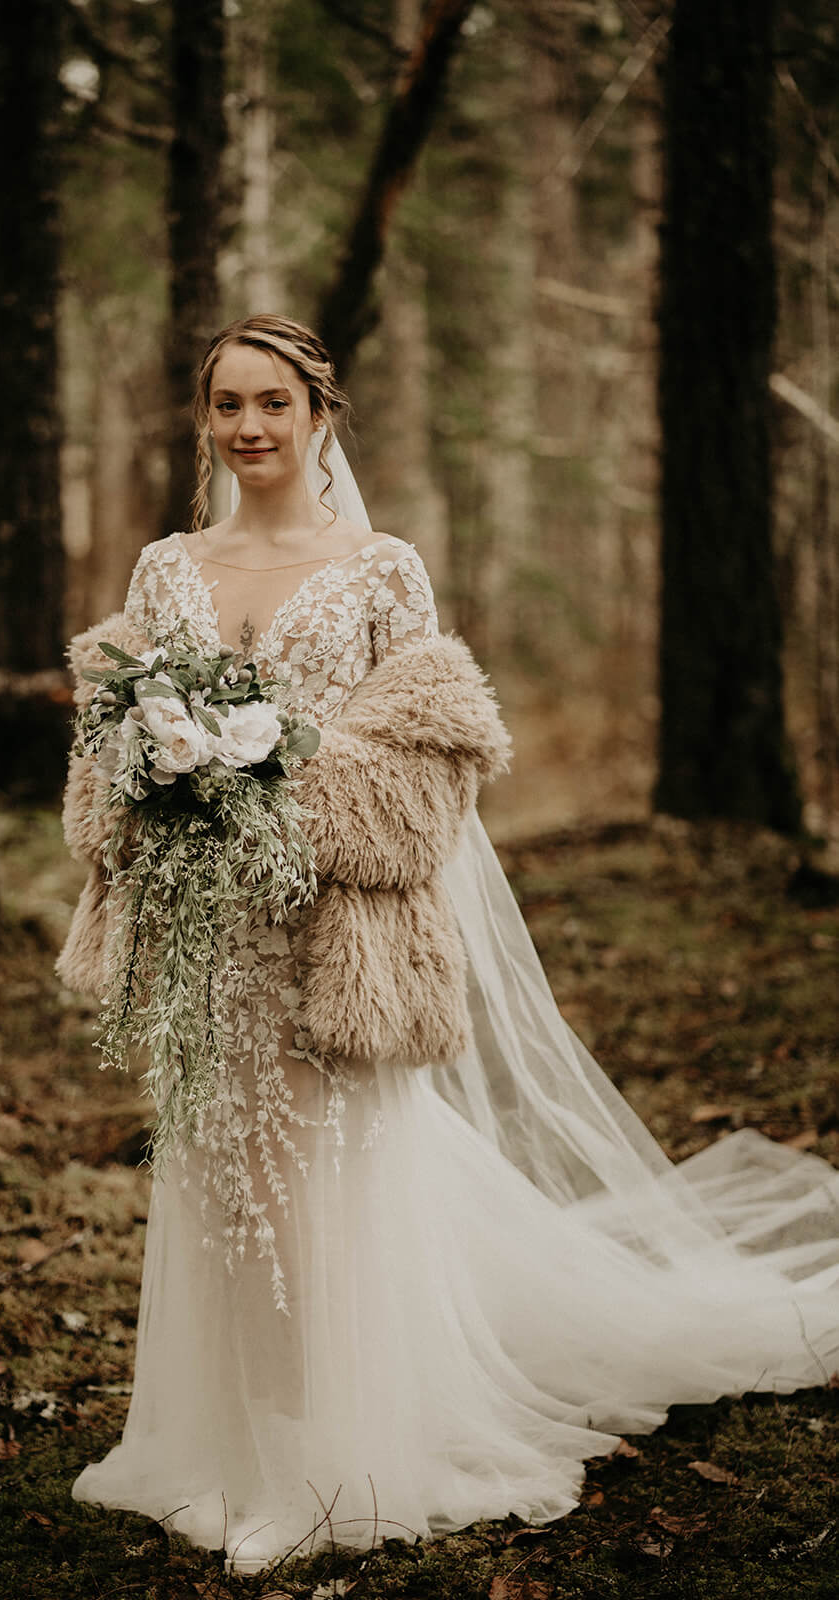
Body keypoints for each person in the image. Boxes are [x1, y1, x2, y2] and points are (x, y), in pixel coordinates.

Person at [60, 314, 839, 1574]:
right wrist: (159, 776)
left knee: (315, 1188)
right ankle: (221, 1448)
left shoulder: (380, 570)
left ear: (320, 413)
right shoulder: (165, 569)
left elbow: (428, 768)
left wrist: (272, 788)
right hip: (207, 931)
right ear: (204, 421)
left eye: (272, 402)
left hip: (334, 931)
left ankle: (324, 1466)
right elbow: (113, 740)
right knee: (217, 1180)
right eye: (225, 405)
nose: (248, 426)